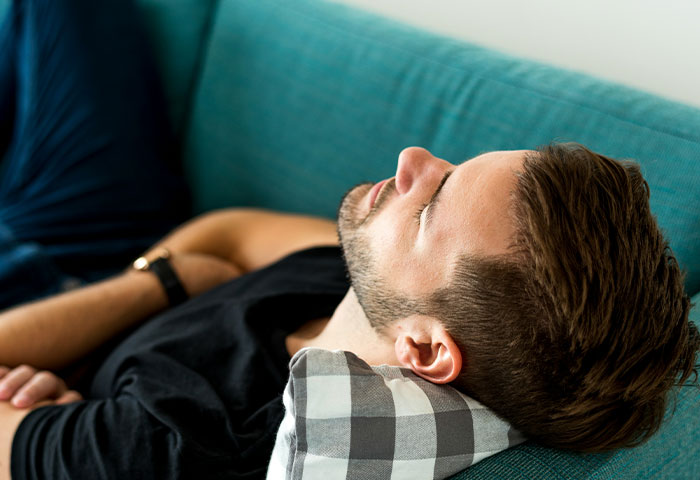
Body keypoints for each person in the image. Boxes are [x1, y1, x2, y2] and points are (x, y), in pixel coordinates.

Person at [0, 0, 697, 479]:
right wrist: (170, 275)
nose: (413, 159)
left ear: (424, 350)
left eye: (431, 204)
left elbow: (224, 250)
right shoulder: (377, 292)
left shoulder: (177, 445)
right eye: (452, 166)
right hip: (105, 257)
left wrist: (169, 281)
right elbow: (232, 230)